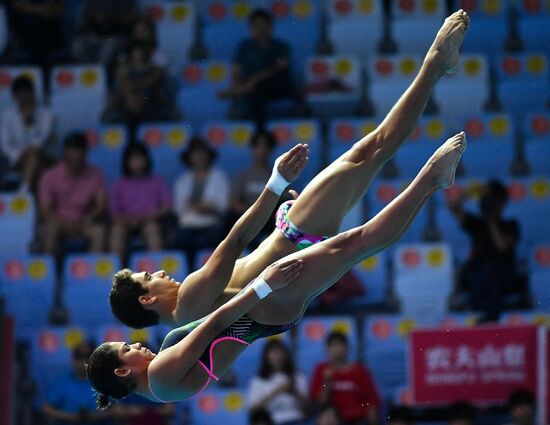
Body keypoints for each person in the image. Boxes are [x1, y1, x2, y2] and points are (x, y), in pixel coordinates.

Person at [108, 11, 470, 331]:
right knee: (371, 155)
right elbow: (234, 241)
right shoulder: (186, 301)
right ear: (146, 300)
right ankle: (435, 67)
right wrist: (276, 182)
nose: (157, 273)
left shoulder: (185, 318)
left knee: (366, 190)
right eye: (148, 278)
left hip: (289, 256)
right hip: (294, 248)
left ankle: (432, 172)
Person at [87, 128, 467, 408]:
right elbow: (217, 323)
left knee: (354, 245)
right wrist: (265, 285)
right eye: (127, 348)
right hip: (266, 306)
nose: (135, 343)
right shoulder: (159, 377)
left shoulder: (161, 381)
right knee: (356, 243)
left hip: (268, 313)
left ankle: (430, 182)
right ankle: (430, 180)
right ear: (123, 371)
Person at [447, 179, 521, 321]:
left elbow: (501, 247)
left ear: (502, 203)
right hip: (478, 276)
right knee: (482, 272)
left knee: (492, 270)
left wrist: (491, 221)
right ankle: (486, 313)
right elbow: (453, 207)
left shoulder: (511, 225)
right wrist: (470, 192)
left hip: (504, 276)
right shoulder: (476, 224)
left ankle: (489, 317)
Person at [219, 8, 297, 125]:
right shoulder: (245, 47)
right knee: (256, 94)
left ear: (270, 26)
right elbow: (236, 71)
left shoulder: (281, 47)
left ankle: (242, 95)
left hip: (276, 87)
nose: (261, 29)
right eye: (256, 25)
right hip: (253, 89)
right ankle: (258, 129)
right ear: (251, 27)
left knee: (261, 86)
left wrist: (254, 81)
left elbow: (280, 68)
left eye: (264, 24)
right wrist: (236, 85)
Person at [38, 132, 107, 257]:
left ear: (86, 152)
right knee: (49, 230)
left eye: (79, 150)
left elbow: (100, 205)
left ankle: (92, 272)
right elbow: (45, 209)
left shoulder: (96, 174)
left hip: (84, 222)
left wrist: (88, 218)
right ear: (64, 152)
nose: (75, 155)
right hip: (59, 222)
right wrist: (61, 222)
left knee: (99, 232)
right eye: (72, 150)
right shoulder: (50, 176)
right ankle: (52, 272)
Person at [109, 143, 172, 262]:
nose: (137, 161)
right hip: (125, 223)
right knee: (117, 231)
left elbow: (167, 207)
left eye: (140, 158)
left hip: (150, 221)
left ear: (147, 159)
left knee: (152, 229)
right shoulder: (119, 184)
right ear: (126, 161)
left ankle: (157, 275)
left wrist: (147, 217)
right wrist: (129, 220)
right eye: (133, 158)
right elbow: (113, 212)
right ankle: (117, 276)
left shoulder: (157, 182)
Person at [174, 136, 230, 268]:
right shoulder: (183, 180)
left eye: (202, 153)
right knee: (183, 240)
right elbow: (178, 209)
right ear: (189, 157)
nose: (198, 157)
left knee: (216, 240)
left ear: (208, 156)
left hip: (212, 223)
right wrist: (202, 206)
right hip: (188, 225)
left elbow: (223, 206)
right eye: (195, 154)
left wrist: (204, 207)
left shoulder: (219, 177)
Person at [310, 332, 380, 425]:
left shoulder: (360, 371)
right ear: (327, 349)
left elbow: (372, 400)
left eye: (340, 345)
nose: (337, 350)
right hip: (333, 420)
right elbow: (320, 401)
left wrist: (371, 412)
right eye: (334, 346)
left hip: (357, 419)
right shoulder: (321, 369)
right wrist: (326, 382)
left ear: (347, 348)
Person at [0, 75, 54, 192]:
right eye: (20, 96)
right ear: (14, 97)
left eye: (27, 95)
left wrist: (30, 122)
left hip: (43, 156)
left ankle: (24, 192)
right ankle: (28, 194)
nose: (24, 99)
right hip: (15, 159)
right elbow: (5, 144)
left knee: (34, 156)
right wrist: (21, 155)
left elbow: (41, 142)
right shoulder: (7, 114)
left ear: (33, 94)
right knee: (34, 161)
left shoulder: (46, 113)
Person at [229, 130, 282, 245]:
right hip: (246, 220)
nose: (261, 150)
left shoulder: (279, 176)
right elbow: (234, 202)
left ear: (271, 150)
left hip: (269, 221)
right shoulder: (243, 175)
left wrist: (263, 214)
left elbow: (284, 202)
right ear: (252, 149)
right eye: (258, 146)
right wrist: (253, 214)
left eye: (265, 146)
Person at [104, 41, 172, 132]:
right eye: (135, 53)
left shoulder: (152, 68)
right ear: (130, 54)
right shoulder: (124, 68)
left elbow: (152, 80)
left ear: (144, 54)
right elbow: (121, 79)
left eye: (139, 53)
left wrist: (138, 84)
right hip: (128, 97)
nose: (137, 56)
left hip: (148, 96)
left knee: (147, 90)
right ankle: (127, 112)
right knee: (124, 90)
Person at [42, 341, 112, 425]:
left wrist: (96, 416)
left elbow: (119, 410)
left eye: (88, 356)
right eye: (79, 356)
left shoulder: (104, 381)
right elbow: (47, 409)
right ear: (73, 359)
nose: (83, 360)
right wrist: (69, 417)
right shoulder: (61, 381)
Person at [247, 340, 309, 425]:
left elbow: (307, 409)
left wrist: (294, 391)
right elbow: (252, 410)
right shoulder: (258, 381)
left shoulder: (298, 376)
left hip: (296, 420)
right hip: (270, 421)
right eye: (274, 352)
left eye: (281, 351)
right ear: (266, 356)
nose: (279, 355)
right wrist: (277, 391)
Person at [72, 0, 139, 66]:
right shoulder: (92, 1)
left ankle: (99, 72)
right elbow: (85, 17)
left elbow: (133, 16)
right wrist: (94, 17)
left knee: (107, 49)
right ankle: (88, 70)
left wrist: (113, 17)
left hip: (115, 35)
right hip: (95, 35)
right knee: (78, 46)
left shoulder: (126, 2)